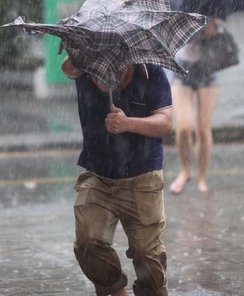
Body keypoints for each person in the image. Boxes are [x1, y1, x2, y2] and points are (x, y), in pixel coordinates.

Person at [61, 55, 173, 296]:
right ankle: (115, 289)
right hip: (99, 175)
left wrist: (128, 123)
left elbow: (165, 122)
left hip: (143, 176)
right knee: (87, 243)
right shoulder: (87, 68)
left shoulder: (150, 72)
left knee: (147, 253)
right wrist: (86, 55)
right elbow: (67, 68)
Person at [168, 16, 223, 195]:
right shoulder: (180, 7)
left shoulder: (214, 12)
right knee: (184, 127)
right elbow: (172, 38)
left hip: (208, 71)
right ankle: (185, 171)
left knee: (203, 129)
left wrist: (211, 28)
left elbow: (219, 44)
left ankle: (201, 178)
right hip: (182, 68)